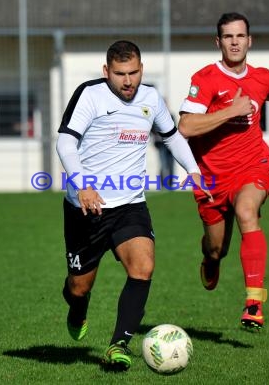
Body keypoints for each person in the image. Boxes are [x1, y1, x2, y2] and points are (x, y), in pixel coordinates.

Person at [56, 40, 211, 371]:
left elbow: (170, 136)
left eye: (134, 73)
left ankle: (118, 344)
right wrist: (82, 184)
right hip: (87, 208)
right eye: (120, 74)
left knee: (143, 267)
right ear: (106, 72)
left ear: (142, 70)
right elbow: (66, 141)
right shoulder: (90, 94)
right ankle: (77, 305)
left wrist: (194, 170)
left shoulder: (150, 98)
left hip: (129, 204)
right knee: (79, 286)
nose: (127, 81)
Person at [178, 12, 269, 331]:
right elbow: (186, 126)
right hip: (211, 177)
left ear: (250, 40)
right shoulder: (205, 79)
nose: (235, 42)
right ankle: (210, 259)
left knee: (248, 212)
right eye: (228, 37)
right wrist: (231, 110)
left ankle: (254, 303)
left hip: (252, 164)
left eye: (240, 36)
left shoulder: (263, 78)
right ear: (218, 42)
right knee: (218, 248)